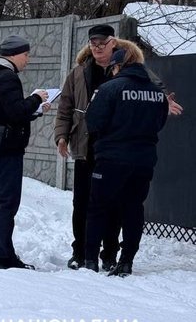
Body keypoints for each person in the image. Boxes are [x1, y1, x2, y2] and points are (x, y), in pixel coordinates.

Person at [54, 25, 183, 271]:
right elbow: (65, 106)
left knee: (109, 205)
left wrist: (163, 101)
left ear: (114, 44)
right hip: (87, 146)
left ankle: (108, 254)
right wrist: (62, 135)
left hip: (112, 149)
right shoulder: (79, 72)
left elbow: (157, 91)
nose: (96, 48)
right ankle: (80, 252)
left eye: (102, 44)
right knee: (83, 203)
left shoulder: (134, 70)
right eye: (93, 44)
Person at [83, 48, 168, 276]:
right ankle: (127, 260)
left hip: (111, 158)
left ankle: (90, 259)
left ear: (118, 66)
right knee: (133, 209)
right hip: (143, 160)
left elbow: (93, 122)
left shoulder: (109, 89)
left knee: (98, 208)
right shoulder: (157, 93)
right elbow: (159, 123)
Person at [0, 35, 50, 270]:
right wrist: (36, 98)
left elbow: (3, 112)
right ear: (14, 54)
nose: (27, 60)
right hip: (7, 149)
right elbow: (16, 112)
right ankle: (4, 256)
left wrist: (36, 110)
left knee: (2, 202)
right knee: (8, 203)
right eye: (26, 55)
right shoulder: (8, 78)